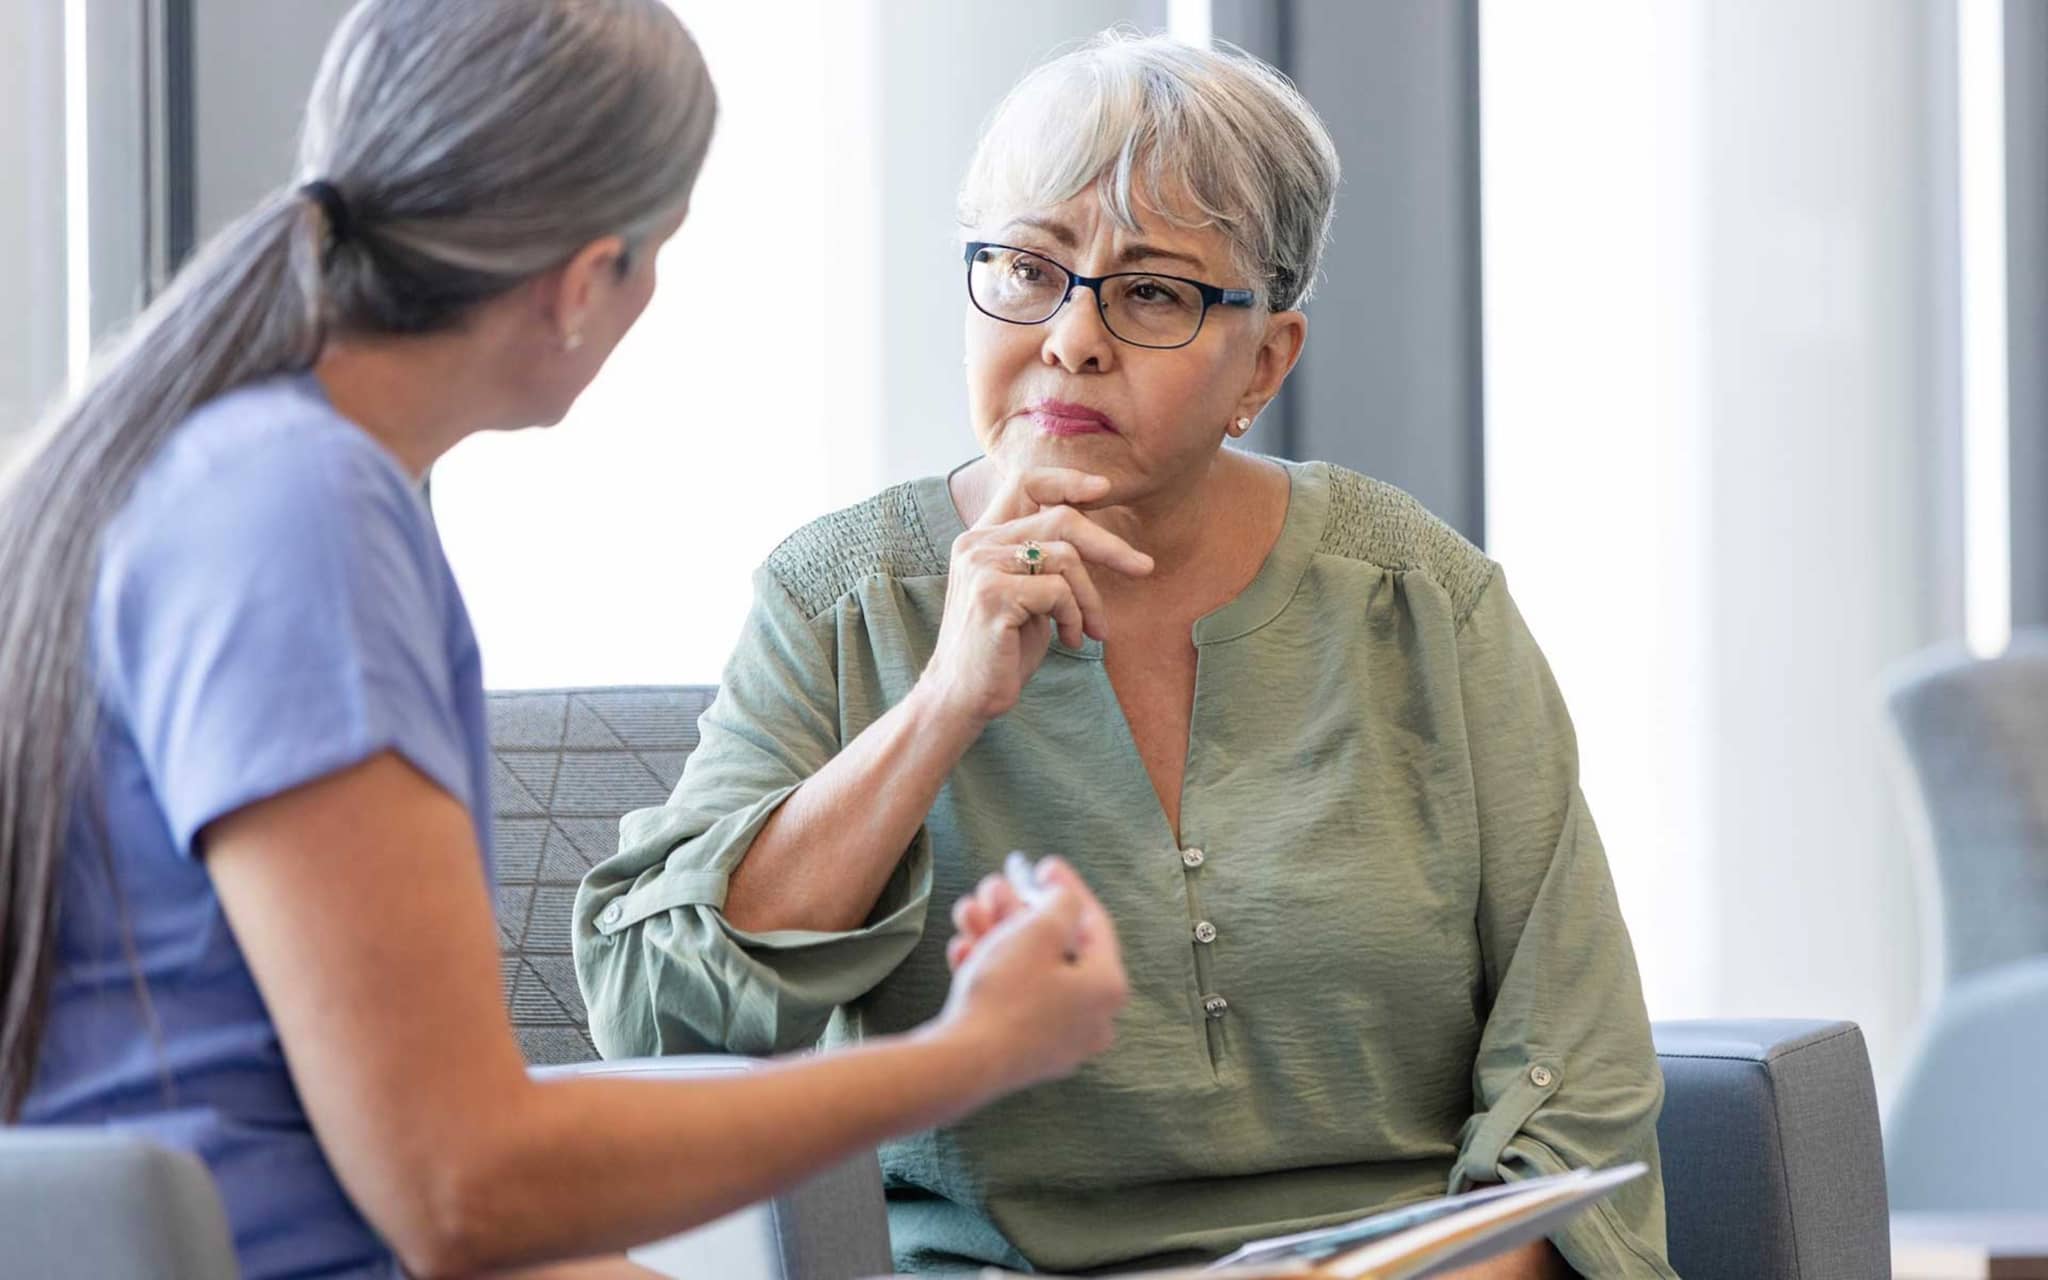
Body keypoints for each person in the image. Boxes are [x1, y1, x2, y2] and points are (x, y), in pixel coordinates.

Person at [0, 4, 1127, 1278]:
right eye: (661, 258)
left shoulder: (220, 470)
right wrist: (970, 1053)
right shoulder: (303, 515)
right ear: (588, 278)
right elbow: (465, 1186)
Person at [577, 31, 1675, 1279]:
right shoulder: (838, 597)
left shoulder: (1422, 598)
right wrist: (942, 701)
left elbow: (1579, 1069)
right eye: (1027, 268)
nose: (1070, 337)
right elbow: (655, 1021)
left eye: (1150, 291)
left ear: (1265, 358)